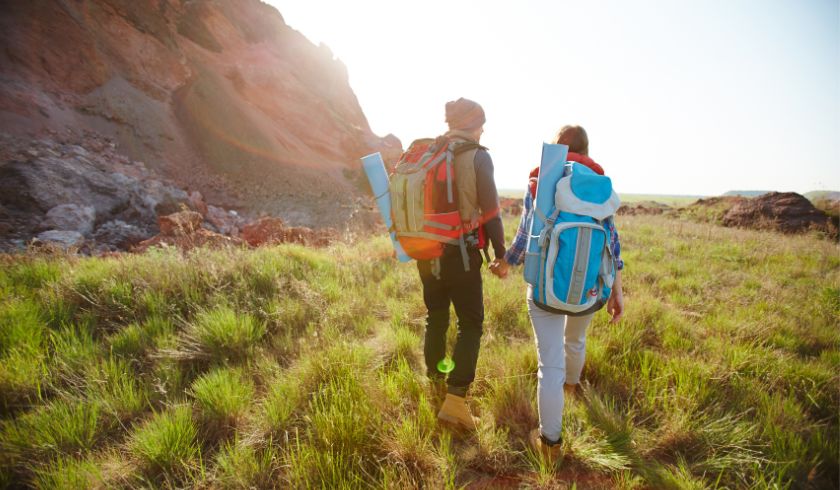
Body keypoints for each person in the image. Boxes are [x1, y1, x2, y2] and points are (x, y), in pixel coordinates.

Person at [492, 125, 625, 463]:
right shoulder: (600, 187)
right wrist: (616, 292)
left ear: (557, 147)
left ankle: (550, 443)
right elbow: (612, 243)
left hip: (544, 288)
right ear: (586, 149)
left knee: (548, 364)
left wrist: (507, 262)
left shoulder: (543, 179)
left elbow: (526, 234)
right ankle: (571, 387)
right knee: (575, 341)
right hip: (589, 288)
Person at [420, 98, 507, 431]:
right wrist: (501, 254)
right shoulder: (477, 156)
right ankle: (455, 402)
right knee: (470, 324)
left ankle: (435, 385)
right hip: (462, 254)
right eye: (482, 124)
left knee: (436, 318)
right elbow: (492, 212)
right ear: (473, 124)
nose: (483, 130)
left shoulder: (429, 154)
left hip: (427, 253)